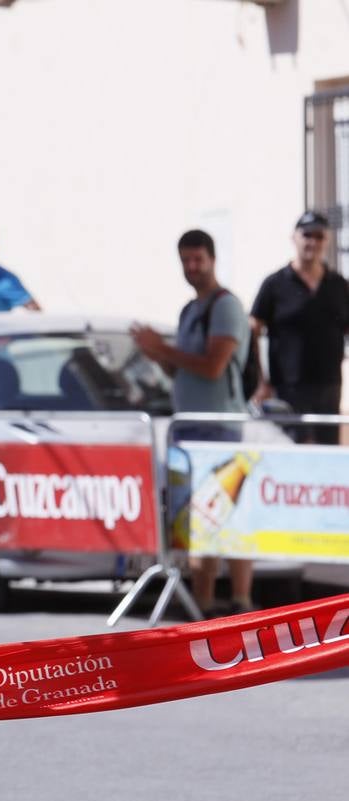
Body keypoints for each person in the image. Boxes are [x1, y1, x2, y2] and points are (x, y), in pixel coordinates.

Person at [130, 229, 254, 617]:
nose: (192, 268)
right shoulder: (190, 310)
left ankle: (234, 599)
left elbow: (213, 366)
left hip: (218, 427)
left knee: (223, 516)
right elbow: (181, 370)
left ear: (213, 260)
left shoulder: (225, 306)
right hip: (190, 426)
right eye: (186, 260)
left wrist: (164, 348)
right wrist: (156, 355)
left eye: (198, 259)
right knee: (199, 520)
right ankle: (203, 601)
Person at [250, 211, 349, 445]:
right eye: (306, 235)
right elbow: (252, 330)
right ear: (294, 237)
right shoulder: (275, 284)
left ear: (326, 241)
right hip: (288, 388)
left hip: (329, 385)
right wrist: (260, 380)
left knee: (328, 453)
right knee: (292, 451)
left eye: (318, 236)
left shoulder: (338, 285)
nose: (312, 242)